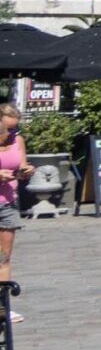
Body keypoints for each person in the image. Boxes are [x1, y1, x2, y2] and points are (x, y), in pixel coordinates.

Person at [0, 99, 24, 324]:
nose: (11, 132)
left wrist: (25, 171)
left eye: (15, 127)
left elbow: (21, 167)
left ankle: (3, 307)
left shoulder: (18, 141)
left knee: (3, 258)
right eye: (8, 128)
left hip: (7, 203)